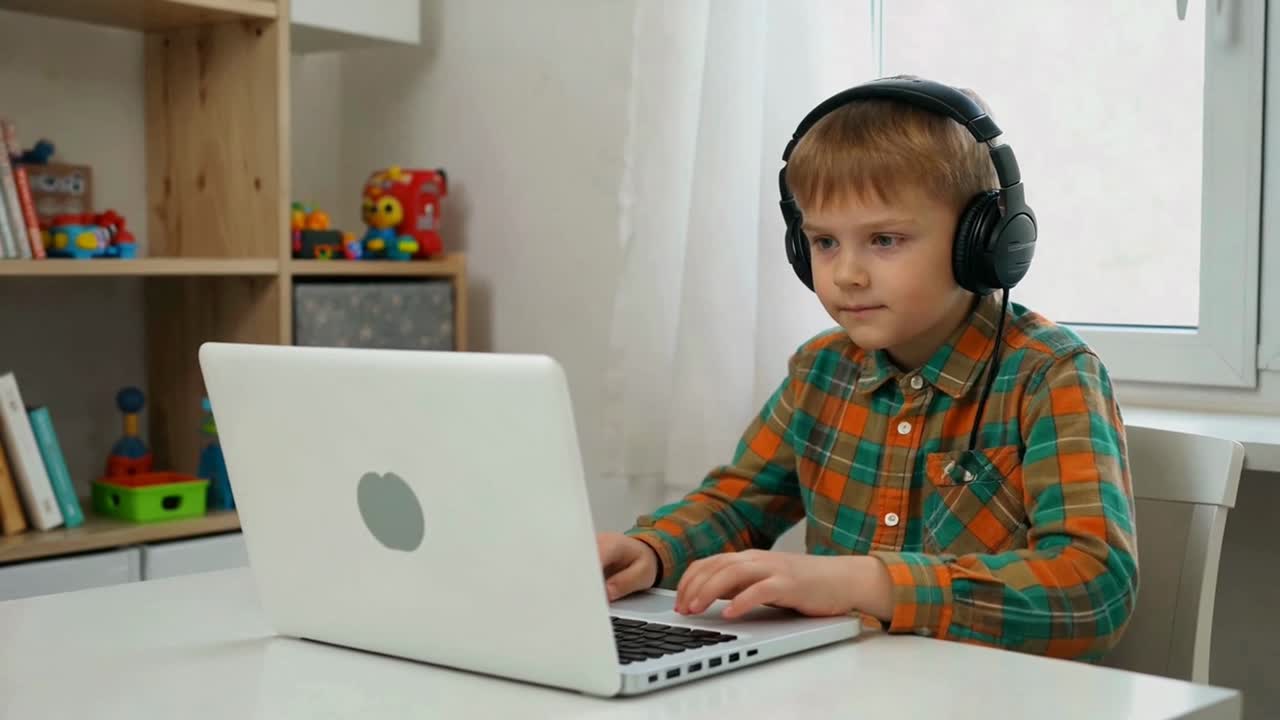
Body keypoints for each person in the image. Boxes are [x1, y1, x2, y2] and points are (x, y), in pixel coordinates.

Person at [596, 76, 1138, 661]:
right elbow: (737, 503)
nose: (846, 273)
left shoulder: (1049, 375)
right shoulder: (821, 370)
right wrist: (651, 551)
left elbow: (1093, 587)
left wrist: (869, 583)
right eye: (824, 242)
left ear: (983, 241)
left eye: (884, 239)